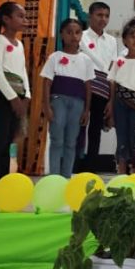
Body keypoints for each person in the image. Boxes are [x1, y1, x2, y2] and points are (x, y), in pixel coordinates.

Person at [40, 18, 94, 177]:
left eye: (77, 32)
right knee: (57, 139)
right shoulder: (55, 57)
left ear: (81, 35)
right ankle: (54, 176)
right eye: (69, 32)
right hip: (58, 101)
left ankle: (66, 176)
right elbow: (47, 83)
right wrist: (47, 106)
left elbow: (88, 87)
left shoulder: (86, 60)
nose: (73, 36)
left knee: (71, 141)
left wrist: (87, 110)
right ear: (61, 34)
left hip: (78, 103)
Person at [0, 2, 30, 178]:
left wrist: (27, 95)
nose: (25, 20)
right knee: (0, 137)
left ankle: (3, 177)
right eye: (20, 16)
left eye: (25, 16)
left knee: (9, 140)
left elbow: (23, 71)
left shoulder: (19, 44)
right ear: (6, 19)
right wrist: (13, 98)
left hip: (18, 96)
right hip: (1, 96)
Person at [106, 21, 135, 175]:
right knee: (122, 137)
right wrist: (111, 104)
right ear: (124, 40)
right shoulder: (119, 61)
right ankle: (121, 171)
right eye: (132, 37)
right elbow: (113, 84)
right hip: (120, 102)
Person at [79, 1, 118, 171]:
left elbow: (113, 68)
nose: (103, 19)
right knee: (79, 124)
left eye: (106, 16)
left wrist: (111, 99)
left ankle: (91, 166)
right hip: (83, 84)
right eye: (99, 15)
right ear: (90, 16)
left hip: (103, 86)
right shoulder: (81, 36)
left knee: (96, 127)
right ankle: (75, 164)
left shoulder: (111, 40)